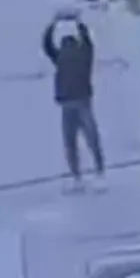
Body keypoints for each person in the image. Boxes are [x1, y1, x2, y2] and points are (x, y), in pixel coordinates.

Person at [42, 14, 105, 191]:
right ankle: (86, 174)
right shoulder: (77, 56)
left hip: (75, 103)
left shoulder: (70, 57)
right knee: (82, 140)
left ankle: (87, 175)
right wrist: (76, 23)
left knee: (79, 141)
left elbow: (47, 45)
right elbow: (49, 46)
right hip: (76, 102)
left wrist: (55, 24)